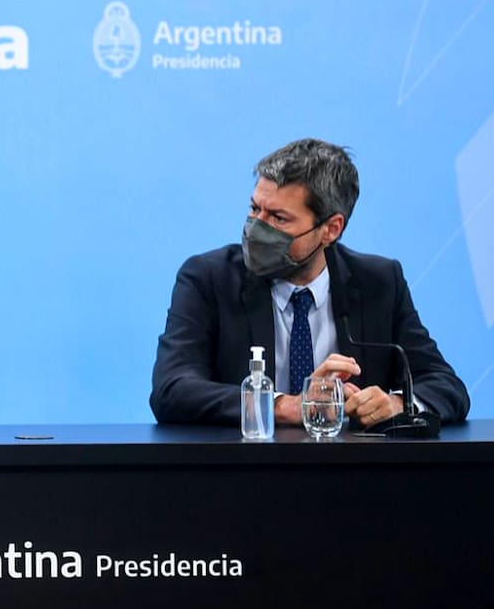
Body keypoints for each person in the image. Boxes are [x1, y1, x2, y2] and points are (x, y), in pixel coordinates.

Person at [150, 138, 468, 428]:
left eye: (278, 218)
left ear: (331, 228)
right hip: (242, 474)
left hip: (355, 476)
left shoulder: (379, 282)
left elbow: (444, 385)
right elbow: (172, 389)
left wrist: (396, 404)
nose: (255, 229)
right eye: (254, 209)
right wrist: (284, 406)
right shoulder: (209, 278)